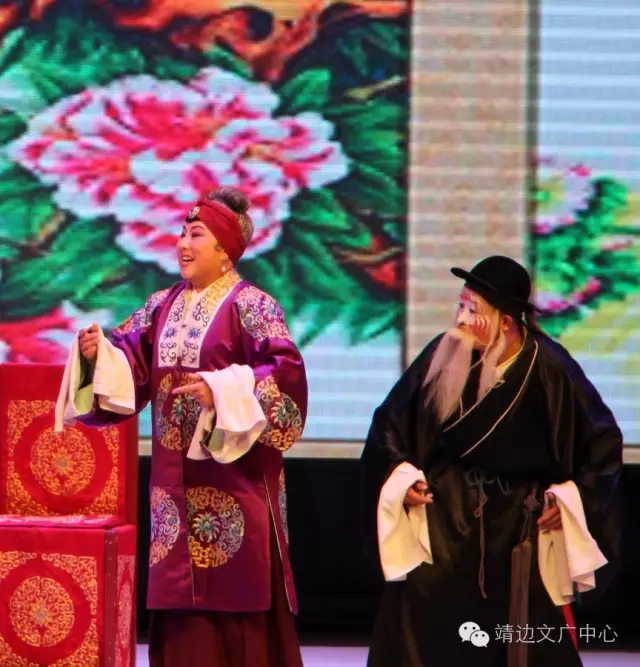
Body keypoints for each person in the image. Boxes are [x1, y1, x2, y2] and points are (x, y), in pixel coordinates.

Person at [58, 187, 308, 667]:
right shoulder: (160, 305)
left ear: (225, 249)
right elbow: (129, 368)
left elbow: (286, 375)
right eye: (182, 233)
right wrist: (98, 357)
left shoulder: (253, 306)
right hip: (173, 491)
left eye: (196, 235)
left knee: (239, 608)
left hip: (236, 486)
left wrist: (224, 390)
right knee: (180, 614)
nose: (183, 244)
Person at [360, 255, 623, 667]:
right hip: (444, 515)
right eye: (461, 305)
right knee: (423, 626)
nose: (461, 319)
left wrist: (576, 498)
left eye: (474, 310)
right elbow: (390, 422)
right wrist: (400, 476)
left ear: (507, 321)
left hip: (518, 521)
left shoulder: (549, 366)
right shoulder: (444, 351)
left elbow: (603, 441)